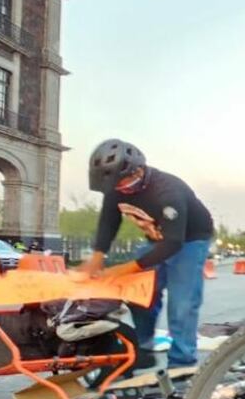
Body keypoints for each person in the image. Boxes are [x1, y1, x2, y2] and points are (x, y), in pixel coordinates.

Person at [79, 139, 214, 371]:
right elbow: (109, 221)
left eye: (121, 184)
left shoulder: (168, 191)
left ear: (138, 171)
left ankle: (182, 364)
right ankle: (144, 348)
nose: (118, 191)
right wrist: (98, 256)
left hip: (190, 241)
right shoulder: (115, 189)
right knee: (138, 293)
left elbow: (173, 243)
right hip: (157, 240)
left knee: (182, 303)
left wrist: (126, 267)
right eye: (113, 187)